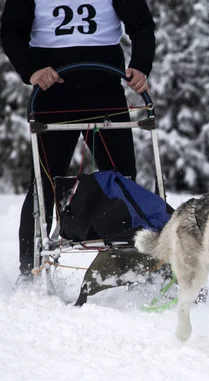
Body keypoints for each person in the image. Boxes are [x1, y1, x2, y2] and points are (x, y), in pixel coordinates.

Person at [0, 0, 156, 284]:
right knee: (43, 185)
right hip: (53, 94)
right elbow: (11, 30)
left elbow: (141, 24)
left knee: (123, 182)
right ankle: (29, 271)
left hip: (106, 91)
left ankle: (136, 264)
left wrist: (141, 65)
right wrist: (32, 70)